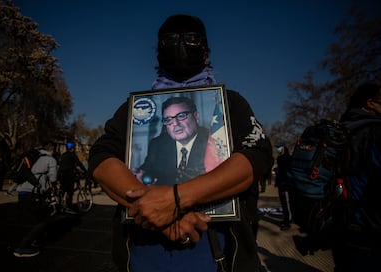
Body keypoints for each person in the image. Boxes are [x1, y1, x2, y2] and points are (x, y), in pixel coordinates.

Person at [88, 14, 273, 272]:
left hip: (218, 252)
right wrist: (153, 210)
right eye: (170, 39)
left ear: (206, 54)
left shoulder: (230, 104)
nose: (181, 44)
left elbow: (257, 156)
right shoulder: (135, 114)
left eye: (191, 38)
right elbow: (101, 157)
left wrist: (176, 199)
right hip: (145, 252)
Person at [331, 82, 381, 271]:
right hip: (368, 228)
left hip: (338, 223)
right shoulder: (375, 132)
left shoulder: (340, 130)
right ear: (370, 103)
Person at [133, 96, 219, 186]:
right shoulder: (158, 144)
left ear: (196, 117)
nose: (176, 124)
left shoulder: (214, 142)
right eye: (168, 120)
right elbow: (147, 169)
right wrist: (139, 174)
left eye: (181, 116)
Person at [13, 141, 58, 257]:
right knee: (44, 220)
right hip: (34, 193)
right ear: (52, 150)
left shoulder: (33, 157)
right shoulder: (50, 160)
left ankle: (34, 240)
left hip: (22, 191)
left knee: (34, 218)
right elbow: (53, 179)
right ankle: (22, 248)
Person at [57, 141, 88, 212]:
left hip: (61, 174)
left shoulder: (63, 155)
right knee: (70, 191)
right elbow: (79, 163)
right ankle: (69, 207)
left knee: (63, 189)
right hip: (68, 175)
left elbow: (67, 165)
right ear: (72, 148)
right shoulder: (72, 155)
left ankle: (59, 205)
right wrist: (85, 171)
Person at [274, 142, 292, 231]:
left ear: (283, 148)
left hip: (286, 184)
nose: (277, 149)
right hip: (281, 184)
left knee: (286, 204)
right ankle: (286, 219)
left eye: (278, 147)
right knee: (283, 204)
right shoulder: (280, 158)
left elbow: (287, 172)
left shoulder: (288, 158)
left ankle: (288, 222)